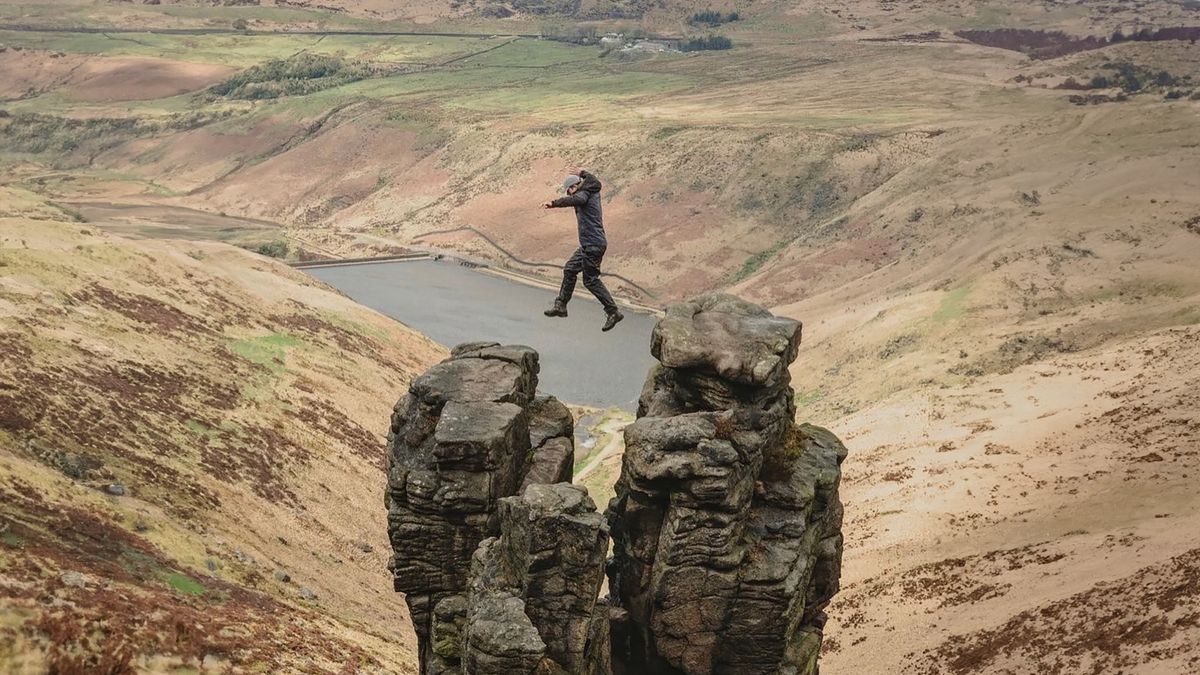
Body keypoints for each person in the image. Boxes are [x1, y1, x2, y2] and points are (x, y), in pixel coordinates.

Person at [541, 168, 624, 331]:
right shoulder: (589, 188)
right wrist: (583, 172)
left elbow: (576, 199)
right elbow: (593, 181)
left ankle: (613, 312)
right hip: (588, 245)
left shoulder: (584, 194)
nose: (570, 194)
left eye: (570, 191)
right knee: (570, 268)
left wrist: (554, 203)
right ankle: (561, 306)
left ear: (575, 186)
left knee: (590, 280)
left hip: (593, 245)